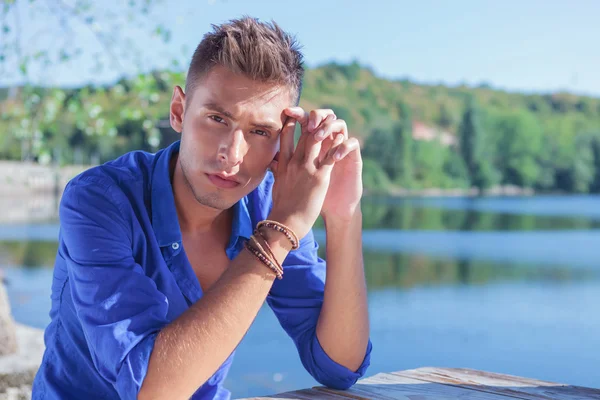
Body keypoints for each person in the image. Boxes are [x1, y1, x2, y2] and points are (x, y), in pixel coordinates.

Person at [32, 16, 372, 400]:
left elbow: (339, 366)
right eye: (216, 119)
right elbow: (150, 390)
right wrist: (278, 234)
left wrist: (343, 216)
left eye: (260, 132)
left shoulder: (266, 203)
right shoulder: (98, 201)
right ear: (179, 111)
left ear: (281, 143)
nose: (232, 153)